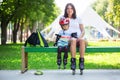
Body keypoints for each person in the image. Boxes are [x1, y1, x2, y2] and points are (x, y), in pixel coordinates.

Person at [63, 3, 86, 75]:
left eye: (71, 8)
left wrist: (80, 37)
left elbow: (83, 31)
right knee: (73, 39)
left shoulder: (78, 18)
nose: (69, 10)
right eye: (68, 8)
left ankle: (81, 62)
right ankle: (73, 62)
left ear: (73, 9)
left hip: (79, 38)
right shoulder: (63, 18)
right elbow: (63, 30)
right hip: (69, 39)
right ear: (66, 10)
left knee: (82, 40)